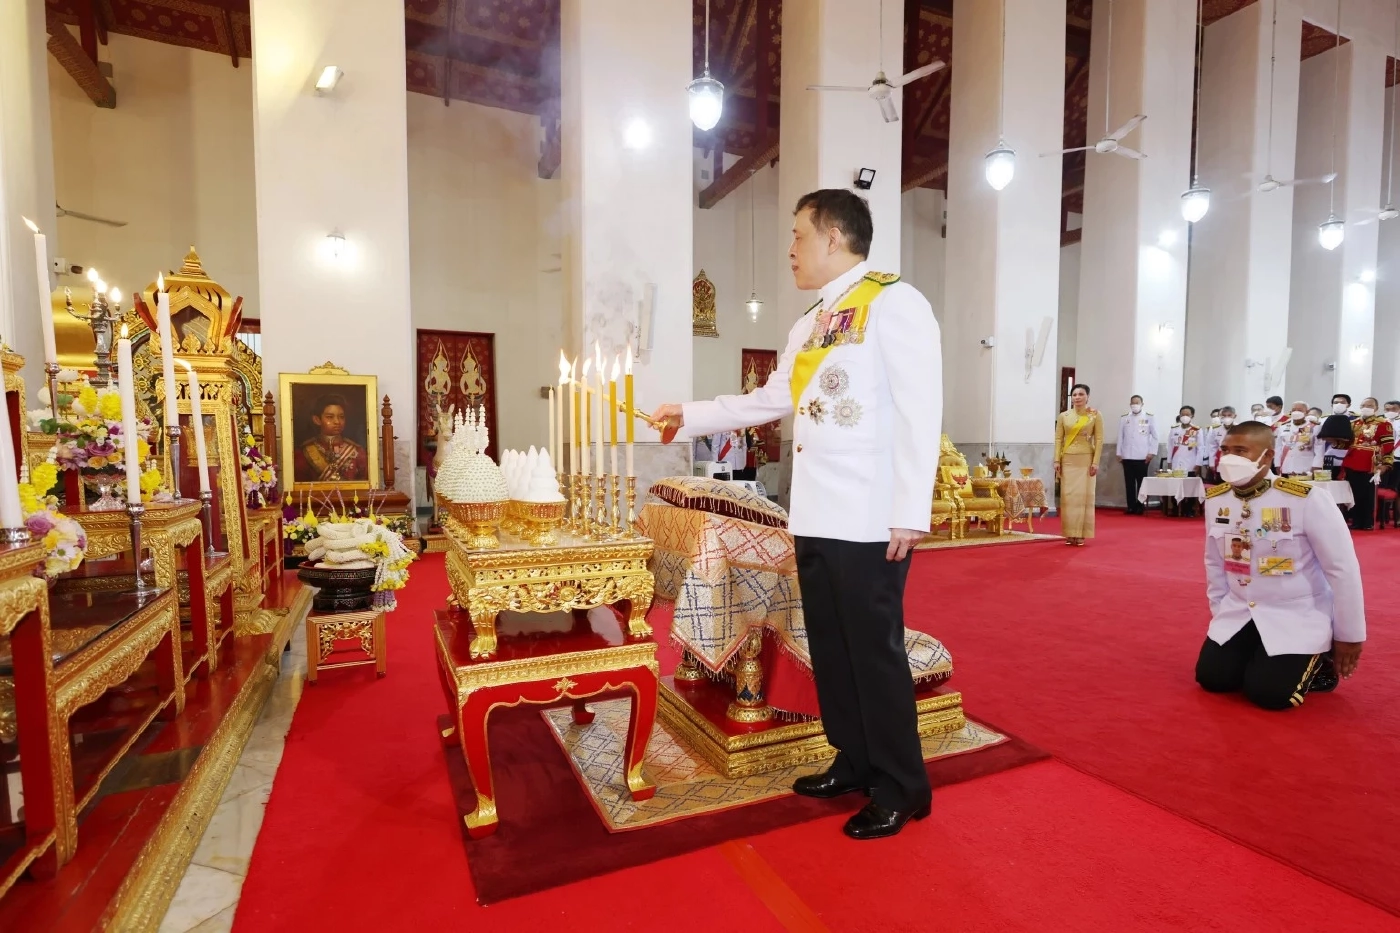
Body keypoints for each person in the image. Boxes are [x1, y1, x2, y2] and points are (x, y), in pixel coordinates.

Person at [652, 188, 938, 840]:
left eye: (797, 236)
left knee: (874, 652)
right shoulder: (809, 323)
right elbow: (770, 399)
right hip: (815, 512)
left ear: (833, 237)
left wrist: (909, 509)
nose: (790, 249)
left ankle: (902, 784)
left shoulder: (895, 302)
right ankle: (855, 757)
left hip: (870, 517)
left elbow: (922, 409)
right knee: (832, 649)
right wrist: (689, 415)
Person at [1196, 421, 1365, 709]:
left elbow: (1342, 569)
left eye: (1240, 450)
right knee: (1213, 679)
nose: (1229, 458)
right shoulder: (1217, 499)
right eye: (1226, 450)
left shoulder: (1306, 499)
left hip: (1297, 614)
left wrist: (1349, 635)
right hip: (1240, 611)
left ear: (1268, 456)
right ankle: (1258, 654)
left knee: (1270, 695)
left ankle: (1319, 661)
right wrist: (1219, 612)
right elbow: (1215, 562)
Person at [1055, 384, 1103, 545]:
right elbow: (1058, 439)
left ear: (1087, 397)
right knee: (1068, 497)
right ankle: (1069, 533)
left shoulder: (1094, 415)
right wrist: (1056, 460)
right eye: (1074, 394)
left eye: (1081, 394)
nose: (1077, 397)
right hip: (1067, 459)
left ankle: (1081, 533)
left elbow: (1099, 440)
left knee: (1083, 497)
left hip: (1085, 459)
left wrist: (1095, 462)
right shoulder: (1064, 416)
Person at [1342, 397, 1395, 531]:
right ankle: (1355, 520)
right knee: (1353, 493)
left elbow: (1388, 447)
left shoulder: (1383, 424)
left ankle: (1367, 521)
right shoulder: (1354, 423)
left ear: (1376, 408)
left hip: (1371, 463)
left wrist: (1385, 465)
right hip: (1352, 461)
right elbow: (1346, 443)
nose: (1366, 407)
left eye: (1370, 405)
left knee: (1368, 494)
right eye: (1364, 405)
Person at [294, 394, 368, 482]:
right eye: (330, 417)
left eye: (341, 417)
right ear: (317, 420)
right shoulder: (303, 453)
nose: (337, 422)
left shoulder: (357, 452)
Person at [1117, 395, 1157, 515]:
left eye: (1137, 402)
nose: (1135, 405)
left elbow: (1155, 436)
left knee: (1141, 482)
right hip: (1127, 455)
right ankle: (1131, 506)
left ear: (1142, 404)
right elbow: (1120, 436)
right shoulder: (1125, 418)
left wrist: (1151, 452)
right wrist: (1119, 453)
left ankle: (1140, 506)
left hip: (1142, 456)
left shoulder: (1149, 417)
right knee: (1129, 483)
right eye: (1133, 403)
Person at [1167, 406, 1202, 517]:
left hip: (1190, 462)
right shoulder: (1174, 429)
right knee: (1174, 486)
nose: (1185, 417)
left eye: (1187, 414)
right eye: (1182, 414)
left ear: (1192, 416)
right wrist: (1169, 461)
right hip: (1176, 461)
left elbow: (1201, 448)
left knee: (1189, 487)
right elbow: (1170, 446)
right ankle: (1175, 508)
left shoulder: (1196, 430)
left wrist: (1198, 463)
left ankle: (1188, 509)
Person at [1274, 402, 1315, 476]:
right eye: (1294, 410)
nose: (1296, 412)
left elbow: (1319, 450)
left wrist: (1316, 466)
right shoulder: (1283, 427)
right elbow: (1278, 447)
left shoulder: (1314, 427)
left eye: (1299, 410)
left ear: (1307, 412)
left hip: (1305, 468)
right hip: (1286, 467)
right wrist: (1277, 464)